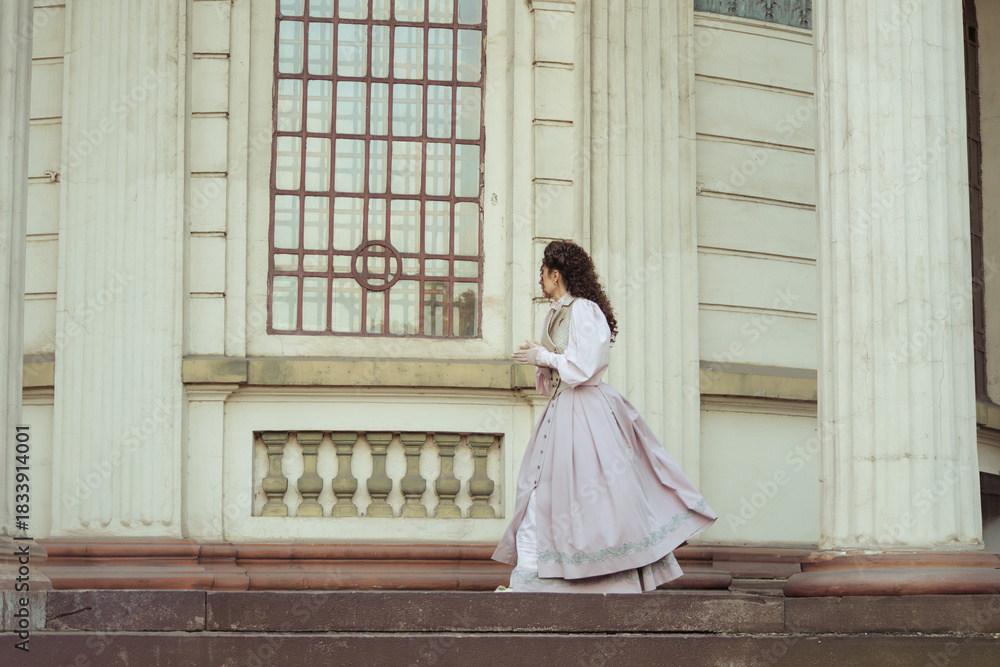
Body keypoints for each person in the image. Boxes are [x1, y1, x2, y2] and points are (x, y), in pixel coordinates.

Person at [492, 240, 717, 592]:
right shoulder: (554, 311)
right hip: (560, 410)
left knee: (592, 492)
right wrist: (540, 359)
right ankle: (536, 575)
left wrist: (544, 357)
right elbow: (556, 375)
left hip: (586, 412)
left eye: (543, 273)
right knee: (541, 490)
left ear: (557, 274)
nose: (540, 280)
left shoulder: (584, 310)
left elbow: (586, 366)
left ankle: (604, 576)